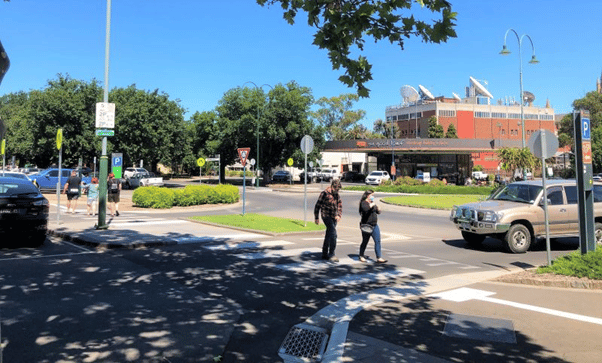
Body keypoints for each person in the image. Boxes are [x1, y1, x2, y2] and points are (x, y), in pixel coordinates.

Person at [314, 179, 342, 262]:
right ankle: (332, 254)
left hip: (334, 217)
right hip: (326, 215)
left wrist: (339, 215)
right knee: (333, 234)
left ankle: (324, 253)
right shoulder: (324, 193)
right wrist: (316, 217)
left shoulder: (337, 195)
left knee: (329, 234)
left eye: (338, 189)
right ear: (332, 186)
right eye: (336, 188)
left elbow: (339, 205)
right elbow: (317, 205)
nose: (337, 190)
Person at [358, 190, 387, 263]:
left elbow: (377, 212)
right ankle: (361, 255)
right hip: (366, 225)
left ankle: (379, 257)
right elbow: (365, 210)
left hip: (374, 225)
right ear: (368, 195)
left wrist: (378, 209)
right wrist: (371, 205)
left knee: (377, 240)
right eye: (372, 195)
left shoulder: (372, 203)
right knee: (365, 241)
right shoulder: (363, 203)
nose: (373, 197)